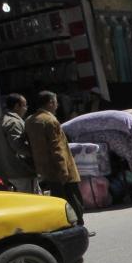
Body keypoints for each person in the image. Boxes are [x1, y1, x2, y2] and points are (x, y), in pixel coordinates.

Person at [25, 90, 84, 224]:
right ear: (51, 103)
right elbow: (57, 148)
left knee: (58, 199)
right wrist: (63, 170)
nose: (57, 106)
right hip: (60, 168)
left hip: (45, 169)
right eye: (56, 103)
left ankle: (64, 224)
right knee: (73, 199)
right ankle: (78, 226)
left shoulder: (30, 121)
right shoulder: (50, 120)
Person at [0, 93, 38, 193]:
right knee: (32, 200)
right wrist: (36, 154)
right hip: (20, 171)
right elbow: (19, 147)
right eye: (25, 105)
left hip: (7, 171)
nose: (26, 109)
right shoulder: (14, 122)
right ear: (17, 106)